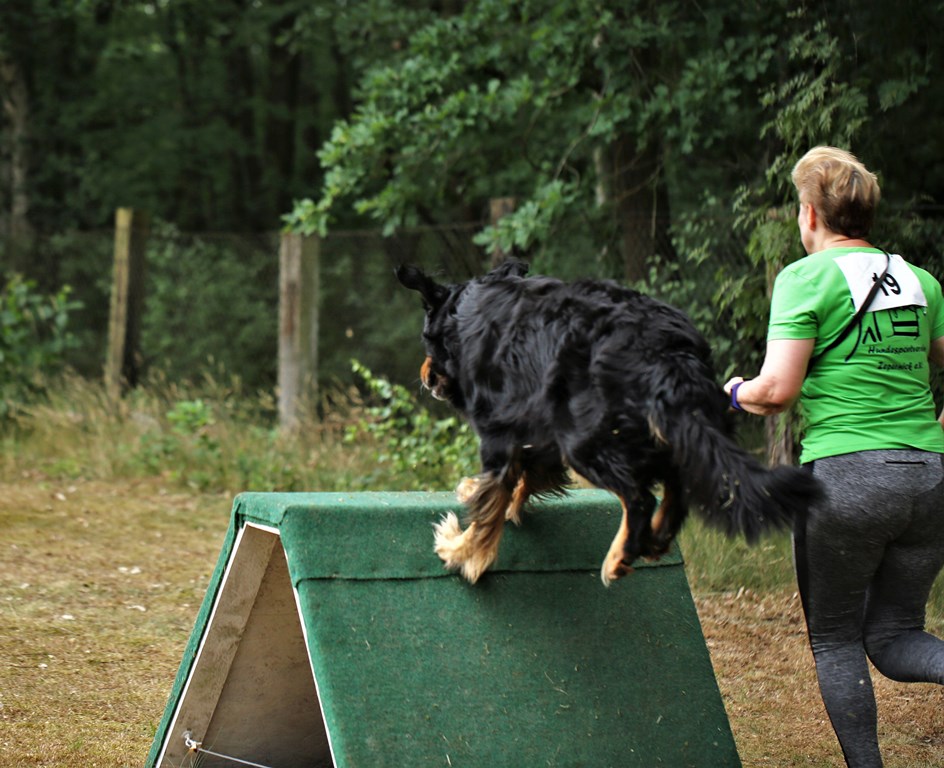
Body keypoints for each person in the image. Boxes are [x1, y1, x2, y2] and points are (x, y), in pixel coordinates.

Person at [724, 145, 944, 767]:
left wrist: (734, 392)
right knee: (895, 636)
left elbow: (777, 391)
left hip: (847, 480)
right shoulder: (921, 281)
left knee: (837, 640)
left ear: (811, 214)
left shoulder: (804, 278)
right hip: (930, 480)